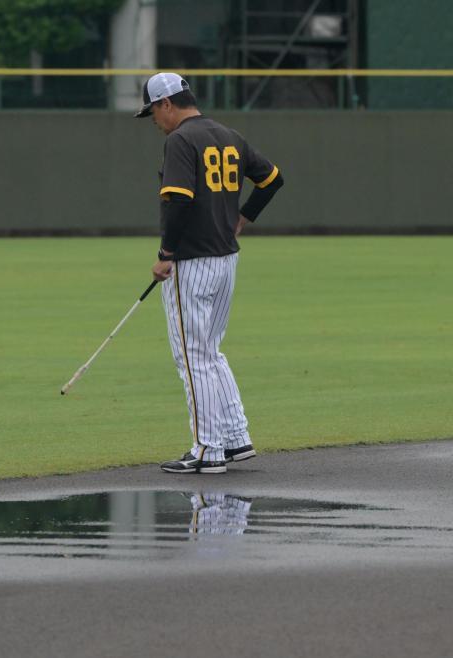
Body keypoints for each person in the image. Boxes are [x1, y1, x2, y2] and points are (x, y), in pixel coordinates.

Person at [134, 72, 284, 474]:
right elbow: (272, 178)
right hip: (225, 259)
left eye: (152, 110)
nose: (152, 119)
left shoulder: (180, 140)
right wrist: (245, 216)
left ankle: (206, 450)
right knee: (210, 353)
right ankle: (236, 439)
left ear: (167, 104)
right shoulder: (228, 134)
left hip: (193, 262)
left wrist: (166, 252)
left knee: (192, 357)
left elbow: (178, 202)